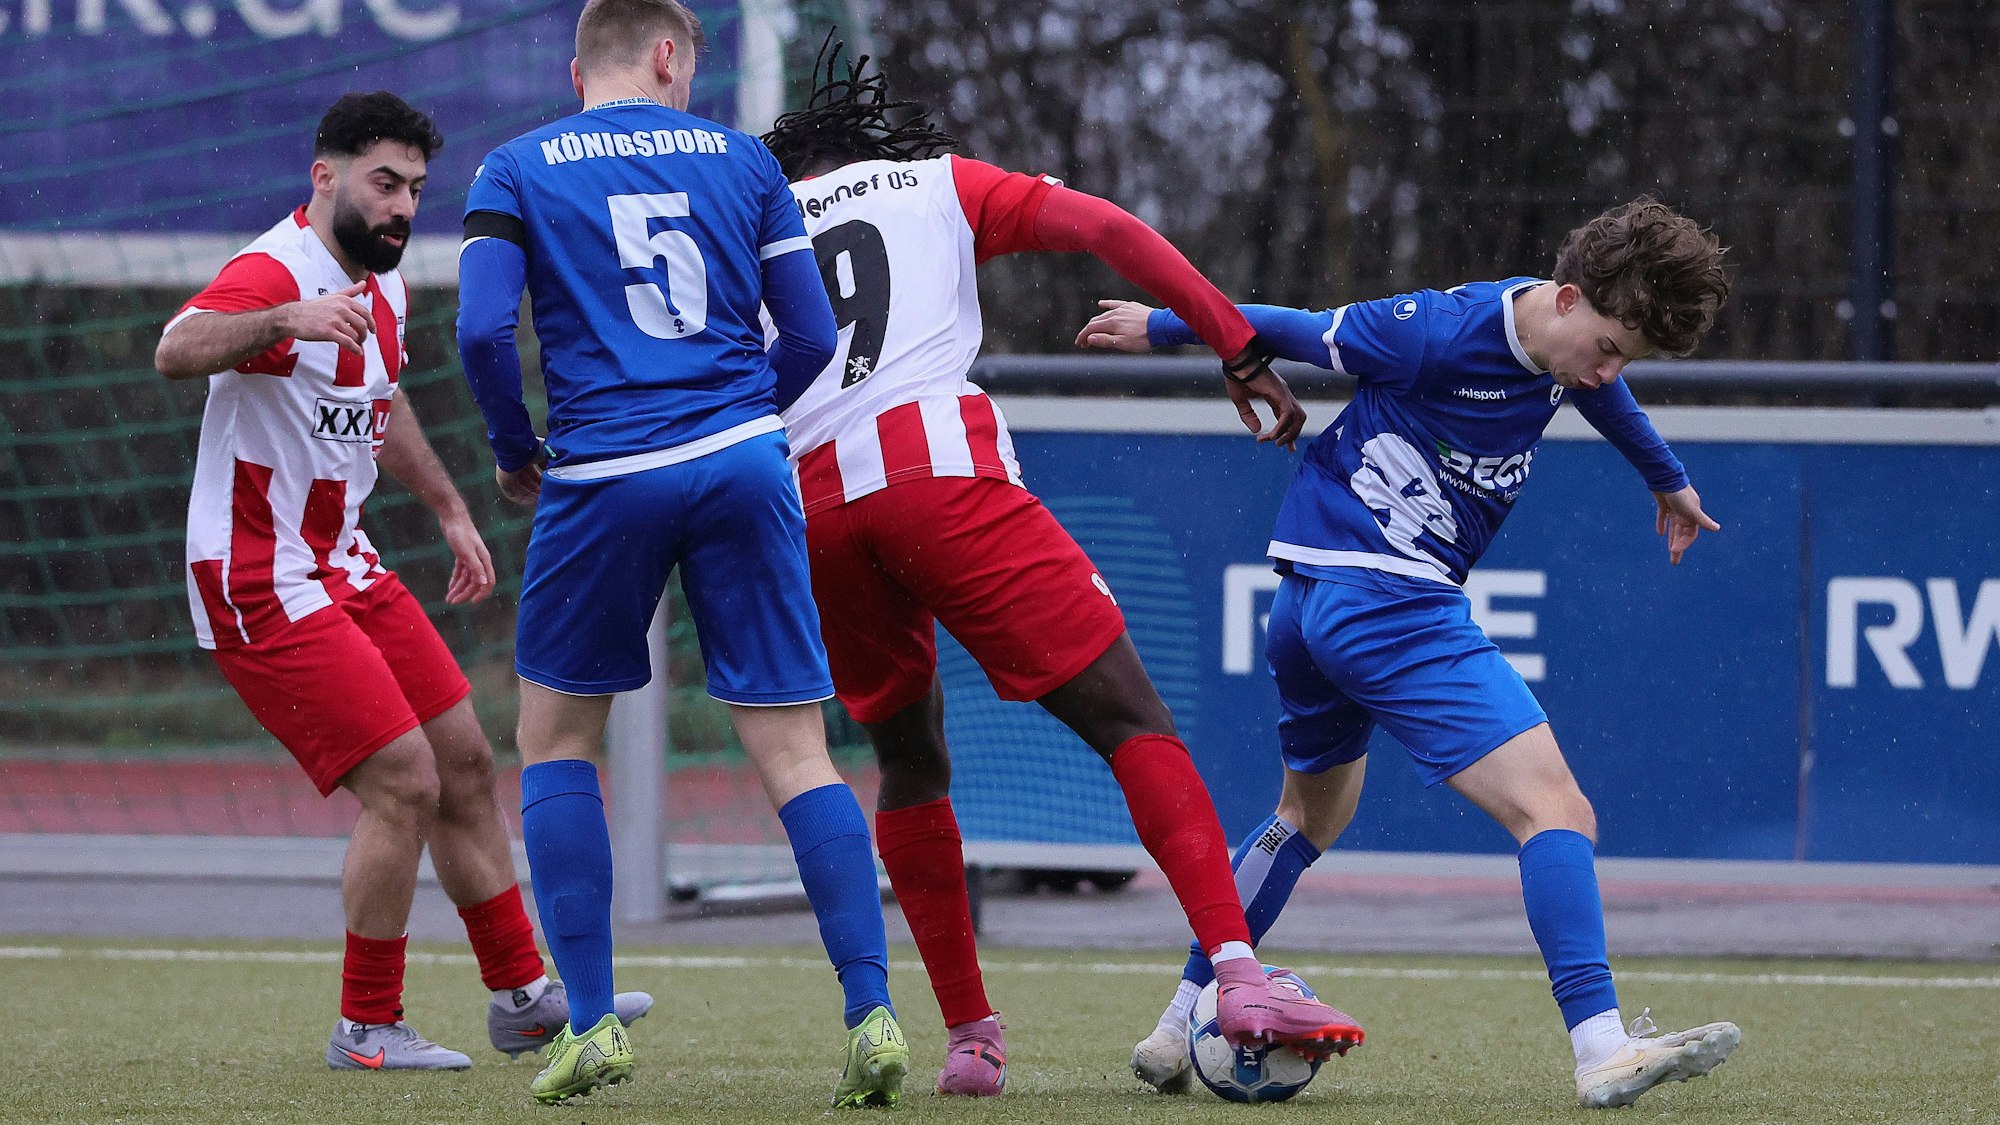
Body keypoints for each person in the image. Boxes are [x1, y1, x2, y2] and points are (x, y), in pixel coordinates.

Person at [757, 40, 1361, 1099]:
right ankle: (1234, 976)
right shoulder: (936, 183)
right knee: (1131, 720)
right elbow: (1109, 230)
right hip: (934, 471)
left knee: (908, 758)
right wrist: (1228, 340)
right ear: (869, 146)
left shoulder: (751, 225)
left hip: (808, 507)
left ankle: (969, 1039)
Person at [1079, 197, 1743, 1109]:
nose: (1611, 369)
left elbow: (1600, 390)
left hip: (1310, 599)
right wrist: (1157, 323)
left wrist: (1666, 477)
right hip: (1386, 600)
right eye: (1612, 345)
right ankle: (1600, 1047)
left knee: (1308, 818)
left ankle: (1178, 1017)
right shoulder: (1434, 330)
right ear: (1567, 297)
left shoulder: (1560, 341)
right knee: (1557, 810)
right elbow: (1290, 329)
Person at [453, 1, 905, 1107]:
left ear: (578, 69)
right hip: (743, 462)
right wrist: (748, 420)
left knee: (557, 740)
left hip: (602, 471)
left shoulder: (513, 166)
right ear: (668, 56)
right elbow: (808, 337)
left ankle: (594, 1022)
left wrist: (519, 451)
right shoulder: (745, 160)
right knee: (796, 750)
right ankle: (873, 1014)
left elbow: (476, 331)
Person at [155, 91, 650, 1072]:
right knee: (405, 784)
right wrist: (281, 318)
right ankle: (365, 1026)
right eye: (384, 184)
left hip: (345, 563)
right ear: (324, 176)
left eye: (415, 191)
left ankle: (522, 999)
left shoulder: (382, 286)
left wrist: (447, 508)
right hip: (256, 576)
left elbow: (383, 399)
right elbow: (175, 348)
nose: (400, 208)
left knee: (465, 762)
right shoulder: (277, 269)